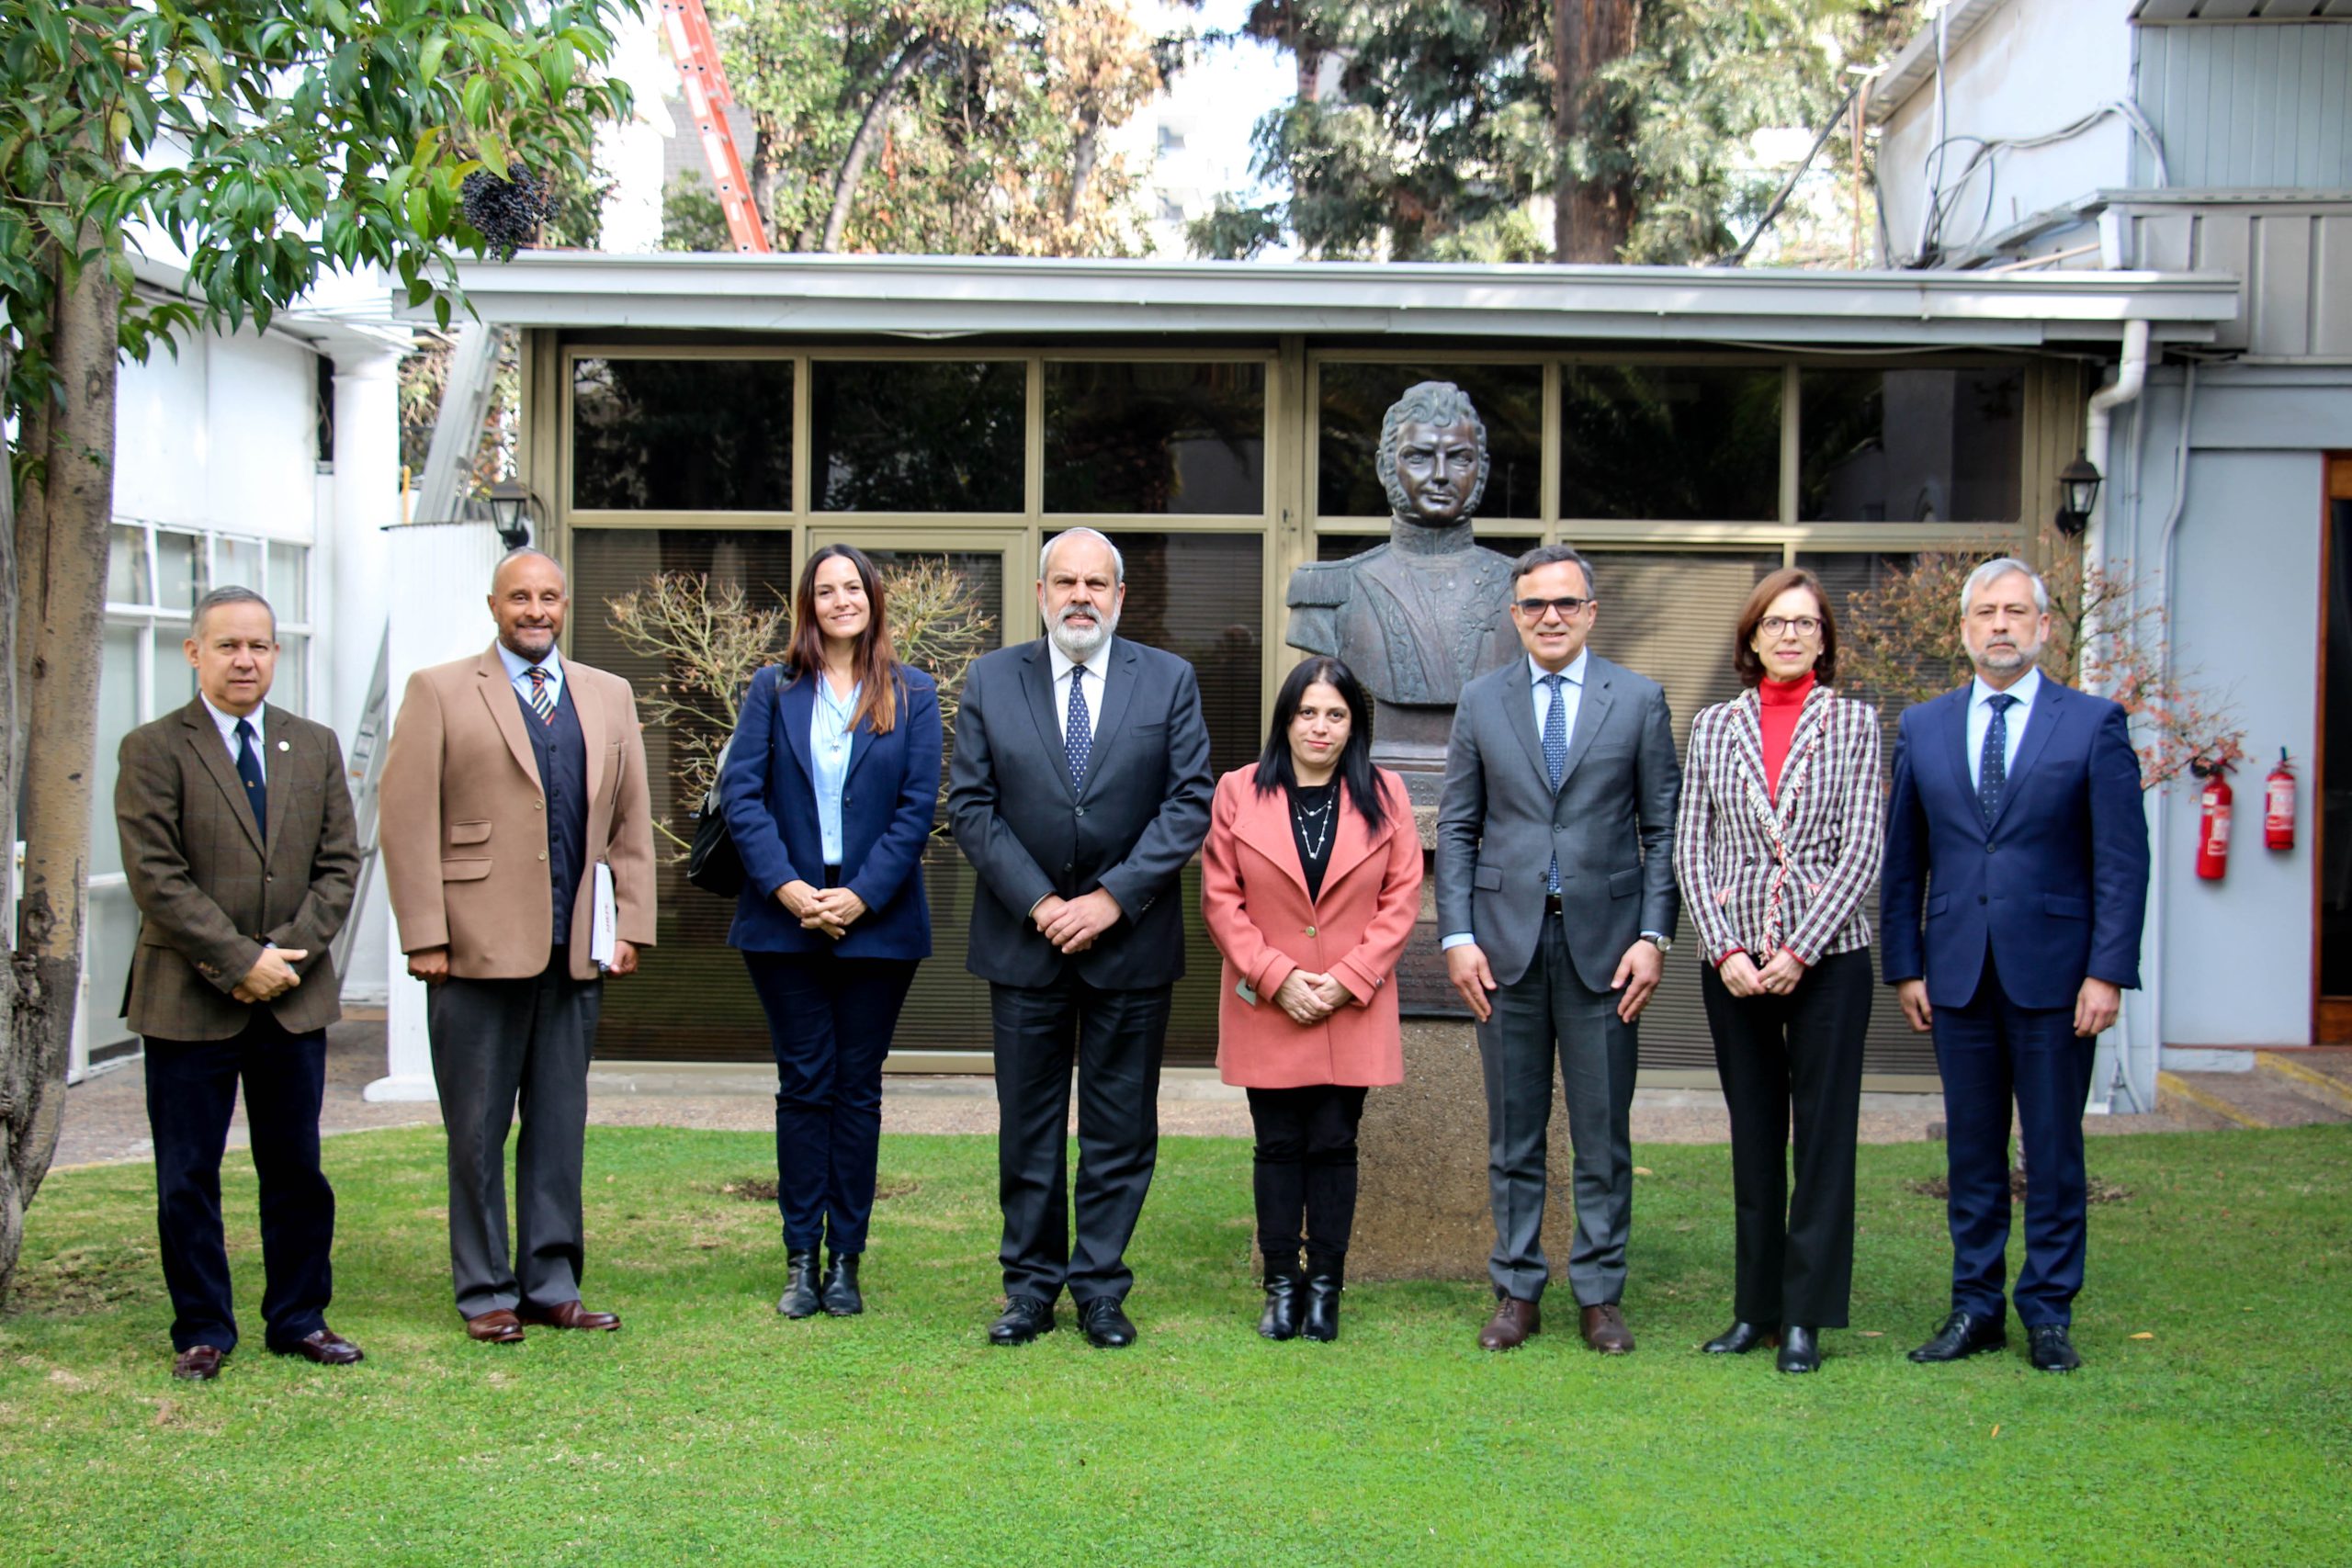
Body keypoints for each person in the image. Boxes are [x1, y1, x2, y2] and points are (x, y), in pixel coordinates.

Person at [379, 548, 656, 1345]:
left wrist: (631, 925)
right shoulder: (438, 690)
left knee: (560, 1124)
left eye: (549, 598)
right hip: (471, 948)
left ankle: (551, 1282)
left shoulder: (608, 695)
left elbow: (630, 820)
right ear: (493, 604)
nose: (535, 610)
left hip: (576, 951)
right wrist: (425, 934)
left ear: (566, 605)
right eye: (519, 598)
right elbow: (404, 820)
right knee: (476, 1127)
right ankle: (484, 1290)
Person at [948, 527, 1215, 1349]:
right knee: (1026, 1126)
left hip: (1128, 943)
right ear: (1039, 592)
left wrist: (1108, 899)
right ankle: (1029, 1288)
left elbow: (1188, 803)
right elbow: (971, 806)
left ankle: (1100, 1285)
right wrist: (1041, 902)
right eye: (1065, 580)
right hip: (1024, 944)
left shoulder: (1168, 680)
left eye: (1097, 583)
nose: (1080, 596)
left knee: (1119, 1127)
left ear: (1120, 596)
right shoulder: (992, 680)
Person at [1882, 556, 2149, 1374]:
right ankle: (1975, 1307)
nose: (2000, 625)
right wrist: (1905, 966)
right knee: (1972, 1150)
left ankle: (2049, 1311)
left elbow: (2121, 862)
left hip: (2060, 978)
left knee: (2055, 1150)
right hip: (1957, 973)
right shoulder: (1924, 726)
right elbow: (1904, 860)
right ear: (1963, 630)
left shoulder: (2093, 723)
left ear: (2042, 625)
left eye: (2015, 612)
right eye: (1985, 613)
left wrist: (2108, 972)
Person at [1434, 544, 1680, 1356]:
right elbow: (1459, 826)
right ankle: (1516, 1289)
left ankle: (1600, 1294)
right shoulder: (1480, 701)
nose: (1550, 617)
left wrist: (1654, 936)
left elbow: (1662, 829)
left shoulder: (1639, 701)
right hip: (1502, 948)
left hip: (1608, 952)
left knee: (1604, 1132)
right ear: (1514, 616)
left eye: (1566, 604)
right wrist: (1459, 935)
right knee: (1514, 1133)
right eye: (1535, 604)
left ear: (1590, 612)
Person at [114, 586, 364, 1381]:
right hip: (187, 999)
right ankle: (202, 1327)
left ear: (276, 654)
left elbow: (338, 865)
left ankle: (299, 1316)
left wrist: (281, 957)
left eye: (259, 645)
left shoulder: (314, 745)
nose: (245, 659)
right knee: (188, 1173)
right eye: (227, 646)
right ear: (194, 653)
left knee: (295, 1167)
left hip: (290, 999)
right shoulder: (153, 748)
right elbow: (157, 876)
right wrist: (236, 960)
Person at [719, 545, 942, 1321]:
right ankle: (798, 1260)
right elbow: (742, 796)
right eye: (825, 589)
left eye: (852, 587)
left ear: (873, 598)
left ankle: (846, 1260)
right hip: (785, 925)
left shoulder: (913, 691)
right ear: (808, 605)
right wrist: (788, 888)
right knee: (803, 1083)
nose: (840, 599)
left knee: (858, 1088)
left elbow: (917, 809)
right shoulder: (772, 688)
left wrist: (858, 897)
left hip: (876, 926)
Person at [1673, 569, 1884, 1374]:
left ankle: (1807, 1316)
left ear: (1824, 640)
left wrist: (1800, 946)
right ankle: (1754, 1307)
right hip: (1732, 963)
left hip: (1827, 960)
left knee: (1823, 1139)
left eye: (1805, 623)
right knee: (1754, 1137)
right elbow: (1695, 844)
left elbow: (1863, 846)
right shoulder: (1714, 726)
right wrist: (1726, 946)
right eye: (1774, 622)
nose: (1789, 634)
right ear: (1751, 637)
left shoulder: (1857, 725)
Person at [1201, 657, 1422, 1342]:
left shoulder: (1386, 793)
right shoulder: (1238, 790)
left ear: (1354, 724)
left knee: (1333, 1142)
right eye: (1307, 712)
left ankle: (1325, 1286)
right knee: (1277, 1145)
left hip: (1351, 1003)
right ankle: (1279, 1285)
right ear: (1285, 720)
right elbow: (1220, 897)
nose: (1319, 727)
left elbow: (1401, 898)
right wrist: (1277, 975)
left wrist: (1349, 978)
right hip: (1268, 1000)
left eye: (1335, 714)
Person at [1285, 380, 1519, 770]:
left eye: (1459, 458)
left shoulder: (1520, 591)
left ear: (1483, 469)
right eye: (1419, 456)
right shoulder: (1330, 589)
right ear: (1384, 466)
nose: (1441, 475)